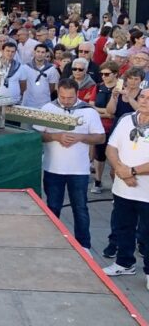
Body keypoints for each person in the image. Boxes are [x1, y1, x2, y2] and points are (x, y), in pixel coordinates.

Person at [36, 79, 105, 255]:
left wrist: (81, 137)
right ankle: (52, 242)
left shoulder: (89, 112)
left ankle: (84, 245)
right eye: (62, 97)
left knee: (80, 208)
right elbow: (37, 135)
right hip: (53, 168)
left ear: (77, 93)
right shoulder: (47, 109)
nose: (66, 101)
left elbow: (100, 138)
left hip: (79, 170)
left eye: (70, 97)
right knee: (52, 207)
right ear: (57, 92)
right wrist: (55, 136)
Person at [101, 88, 149, 282]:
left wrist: (133, 171)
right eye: (143, 97)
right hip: (123, 189)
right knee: (123, 228)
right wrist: (120, 169)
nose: (145, 101)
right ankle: (124, 263)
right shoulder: (126, 119)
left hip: (146, 193)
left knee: (147, 235)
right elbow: (111, 147)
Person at [91, 61, 119, 194]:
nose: (103, 76)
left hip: (115, 128)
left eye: (107, 74)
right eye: (101, 74)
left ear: (115, 74)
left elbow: (115, 114)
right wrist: (106, 113)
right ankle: (97, 181)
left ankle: (117, 186)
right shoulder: (97, 87)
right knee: (99, 156)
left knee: (115, 158)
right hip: (100, 127)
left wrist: (102, 112)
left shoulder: (119, 89)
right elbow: (91, 106)